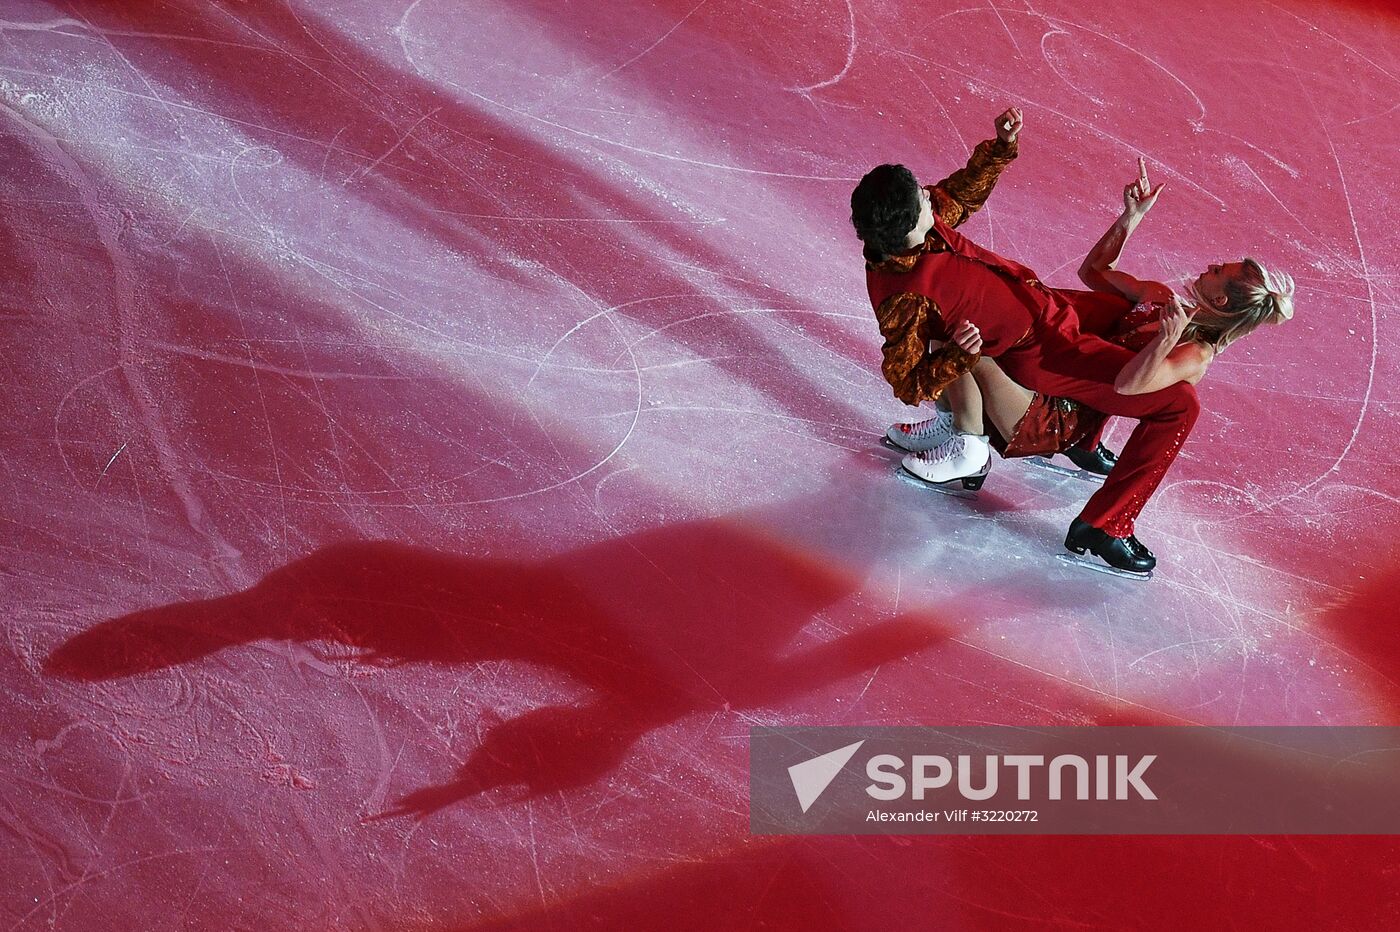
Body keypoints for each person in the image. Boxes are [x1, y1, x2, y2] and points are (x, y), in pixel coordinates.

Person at [851, 112, 1277, 575]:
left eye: (1220, 269)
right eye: (922, 198)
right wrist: (1130, 224)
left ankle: (1081, 473)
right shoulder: (904, 295)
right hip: (1039, 369)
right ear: (907, 227)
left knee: (1124, 335)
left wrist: (1000, 146)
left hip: (1051, 352)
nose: (931, 197)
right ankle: (969, 440)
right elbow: (908, 376)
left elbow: (956, 193)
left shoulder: (923, 222)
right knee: (960, 336)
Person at [942, 160, 1296, 482]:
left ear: (1220, 299)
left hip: (1053, 418)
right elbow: (1093, 272)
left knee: (966, 343)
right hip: (1044, 381)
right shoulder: (1160, 297)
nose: (1210, 265)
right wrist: (1132, 216)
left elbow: (1127, 386)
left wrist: (1164, 341)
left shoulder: (1194, 354)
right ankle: (954, 430)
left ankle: (966, 448)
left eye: (1219, 270)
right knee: (956, 325)